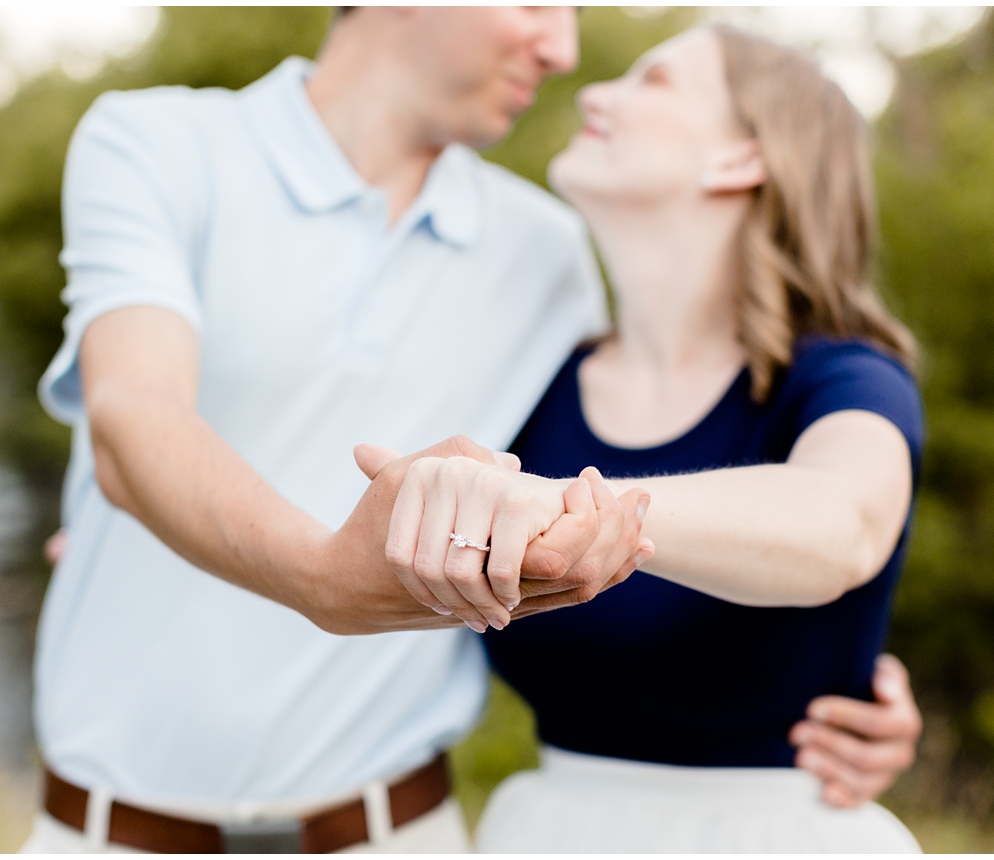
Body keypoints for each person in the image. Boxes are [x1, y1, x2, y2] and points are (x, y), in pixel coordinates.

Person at [24, 8, 917, 853]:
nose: (567, 55)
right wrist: (164, 517)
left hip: (405, 832)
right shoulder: (156, 143)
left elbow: (813, 512)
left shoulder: (547, 257)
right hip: (108, 831)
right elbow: (136, 420)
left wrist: (840, 667)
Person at [354, 25, 926, 852]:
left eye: (652, 81)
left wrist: (556, 504)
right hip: (548, 832)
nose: (591, 92)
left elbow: (844, 523)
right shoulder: (530, 376)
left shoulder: (845, 378)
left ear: (740, 159)